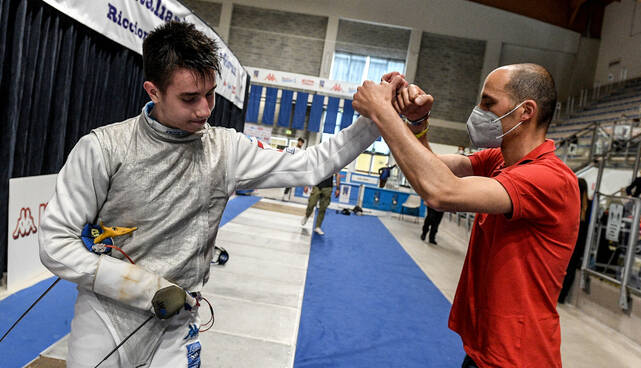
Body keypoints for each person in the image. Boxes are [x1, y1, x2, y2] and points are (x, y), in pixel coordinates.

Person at [38, 21, 384, 368]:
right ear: (153, 91)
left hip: (177, 323)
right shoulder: (104, 148)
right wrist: (144, 287)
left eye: (210, 94)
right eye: (189, 98)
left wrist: (380, 119)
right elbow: (56, 244)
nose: (204, 110)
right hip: (106, 318)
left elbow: (312, 165)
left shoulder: (226, 149)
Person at [353, 64, 579, 367]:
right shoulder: (500, 159)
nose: (479, 111)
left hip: (519, 357)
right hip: (483, 349)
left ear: (526, 111)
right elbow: (429, 167)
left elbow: (442, 192)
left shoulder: (549, 178)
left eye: (488, 103)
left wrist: (383, 112)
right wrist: (417, 123)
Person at [558, 178, 590, 304]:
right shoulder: (589, 205)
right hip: (579, 243)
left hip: (566, 239)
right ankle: (562, 297)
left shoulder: (570, 201)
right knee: (570, 270)